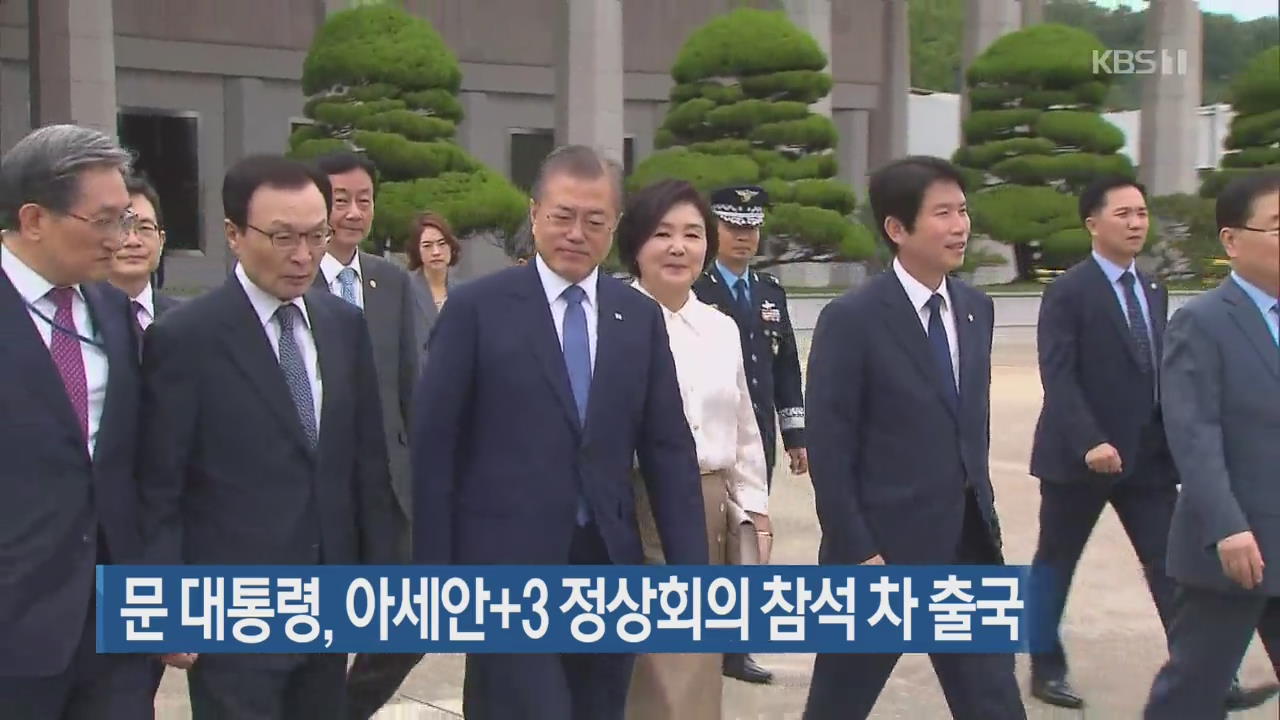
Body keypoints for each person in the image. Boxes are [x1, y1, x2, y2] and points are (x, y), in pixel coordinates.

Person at [411, 145, 708, 720]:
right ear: (534, 214)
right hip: (506, 567)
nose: (577, 233)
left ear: (614, 226)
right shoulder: (479, 308)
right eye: (563, 216)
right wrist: (432, 572)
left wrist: (692, 572)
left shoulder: (636, 316)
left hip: (607, 564)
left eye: (595, 221)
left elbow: (668, 449)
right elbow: (434, 445)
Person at [137, 154, 399, 719]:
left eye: (315, 235)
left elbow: (364, 466)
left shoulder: (342, 325)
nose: (304, 255)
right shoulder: (185, 337)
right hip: (233, 607)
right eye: (283, 237)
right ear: (234, 234)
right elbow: (159, 484)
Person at [1027, 175, 1276, 711]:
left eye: (1142, 213)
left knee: (1173, 568)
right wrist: (1091, 439)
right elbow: (1059, 373)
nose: (1137, 223)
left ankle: (1211, 676)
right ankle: (1046, 667)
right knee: (1056, 565)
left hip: (1147, 458)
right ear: (1093, 224)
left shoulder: (1155, 287)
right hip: (1081, 459)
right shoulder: (1068, 289)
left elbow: (1166, 373)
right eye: (1124, 214)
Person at [802, 156, 1025, 720]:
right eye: (943, 213)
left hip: (966, 547)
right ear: (897, 229)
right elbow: (831, 447)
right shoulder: (852, 318)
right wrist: (858, 550)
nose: (960, 226)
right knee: (839, 704)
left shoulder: (976, 309)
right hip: (882, 553)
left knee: (994, 700)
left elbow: (967, 426)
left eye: (963, 210)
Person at [0, 124, 153, 719]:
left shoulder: (113, 311)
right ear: (35, 219)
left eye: (131, 221)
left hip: (114, 629)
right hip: (15, 628)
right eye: (106, 221)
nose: (121, 240)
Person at [616, 179, 771, 720]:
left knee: (698, 656)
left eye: (692, 234)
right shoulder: (611, 318)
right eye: (662, 233)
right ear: (635, 242)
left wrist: (755, 508)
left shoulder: (720, 326)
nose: (678, 247)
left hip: (709, 507)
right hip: (633, 505)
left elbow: (745, 423)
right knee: (648, 660)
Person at [1144, 172, 1280, 719]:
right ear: (1231, 240)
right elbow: (1192, 432)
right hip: (1236, 546)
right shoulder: (1202, 322)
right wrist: (1227, 524)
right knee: (1192, 692)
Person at [308, 152, 425, 720]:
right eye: (340, 200)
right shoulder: (295, 277)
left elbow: (410, 384)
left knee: (410, 624)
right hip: (321, 483)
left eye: (364, 200)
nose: (353, 213)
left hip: (389, 484)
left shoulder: (390, 280)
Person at [691, 184, 806, 684]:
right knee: (702, 544)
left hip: (755, 439)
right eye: (734, 227)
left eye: (751, 228)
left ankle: (737, 650)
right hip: (709, 438)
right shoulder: (696, 289)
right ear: (715, 231)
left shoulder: (769, 294)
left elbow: (786, 368)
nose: (743, 237)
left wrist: (795, 433)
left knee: (748, 542)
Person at [108, 174, 179, 341]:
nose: (133, 241)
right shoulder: (80, 319)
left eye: (145, 228)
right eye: (121, 227)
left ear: (161, 241)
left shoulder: (187, 321)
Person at [406, 211, 460, 338]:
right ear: (417, 251)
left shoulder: (463, 291)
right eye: (427, 246)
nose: (436, 252)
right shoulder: (405, 290)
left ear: (451, 246)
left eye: (442, 244)